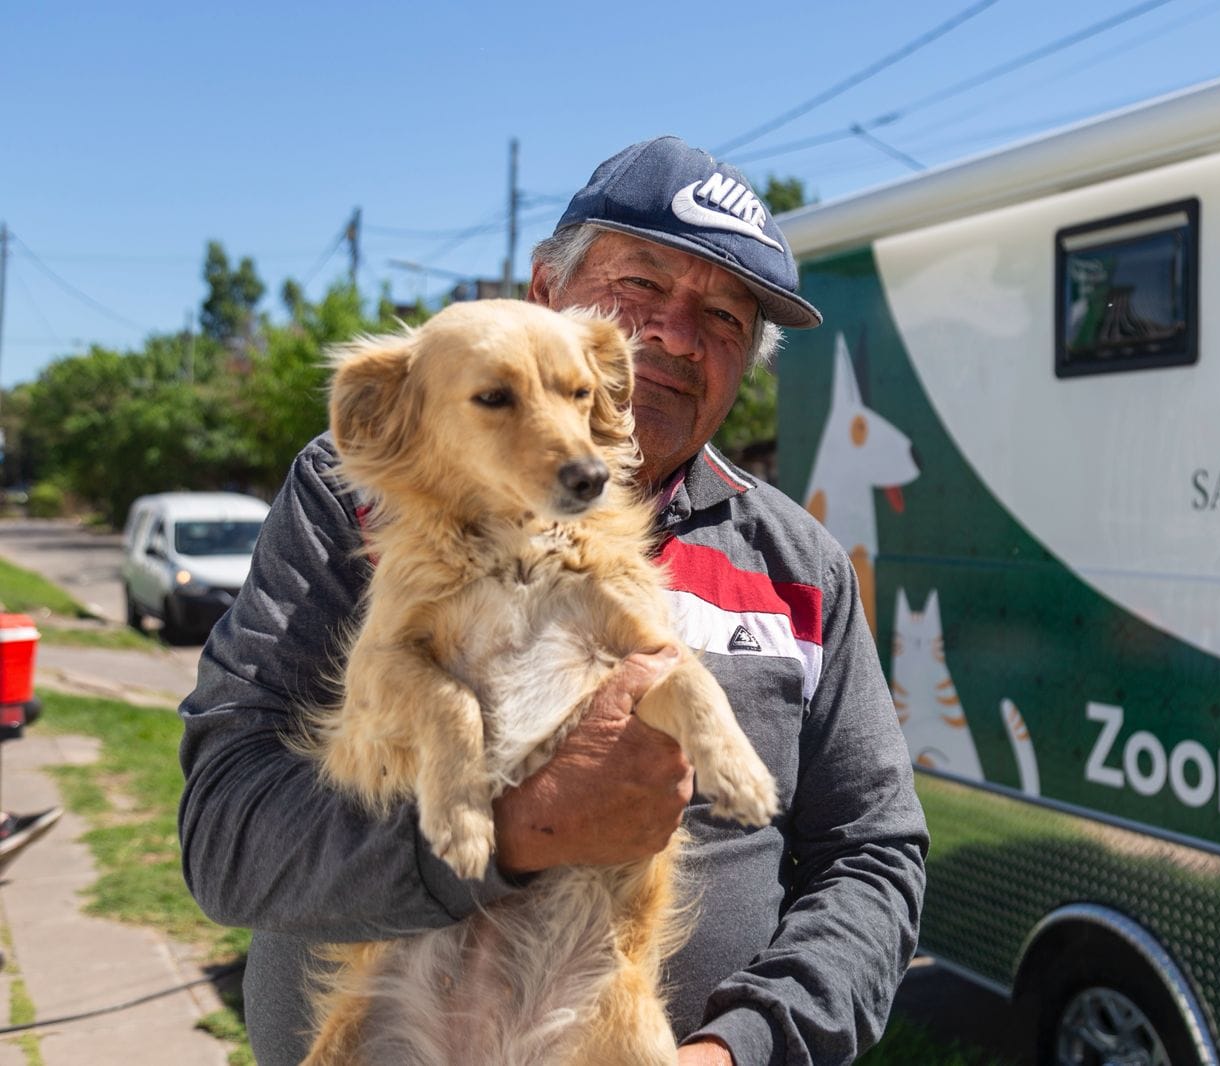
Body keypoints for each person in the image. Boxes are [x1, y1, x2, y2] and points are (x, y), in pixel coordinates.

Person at [178, 135, 928, 1066]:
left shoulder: (801, 564)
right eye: (642, 284)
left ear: (748, 361)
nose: (676, 336)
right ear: (545, 293)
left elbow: (873, 857)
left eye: (725, 318)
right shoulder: (359, 498)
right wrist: (519, 830)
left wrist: (743, 1047)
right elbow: (227, 835)